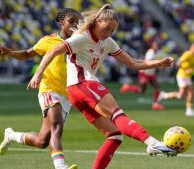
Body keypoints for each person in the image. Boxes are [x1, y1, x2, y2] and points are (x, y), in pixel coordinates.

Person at [28, 4, 177, 169]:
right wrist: (38, 73)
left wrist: (159, 63)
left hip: (77, 93)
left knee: (114, 135)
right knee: (118, 115)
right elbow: (53, 51)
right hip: (83, 84)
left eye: (113, 30)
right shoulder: (82, 37)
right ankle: (152, 143)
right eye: (107, 28)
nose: (109, 33)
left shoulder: (108, 42)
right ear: (97, 21)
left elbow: (134, 63)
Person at [0, 8, 82, 169]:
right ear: (62, 23)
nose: (76, 25)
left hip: (67, 94)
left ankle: (11, 135)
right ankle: (61, 167)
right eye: (72, 21)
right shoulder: (49, 40)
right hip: (49, 88)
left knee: (43, 141)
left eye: (79, 22)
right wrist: (11, 52)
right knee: (57, 125)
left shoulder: (81, 42)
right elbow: (28, 53)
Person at [119, 41, 165, 110]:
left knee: (157, 87)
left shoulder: (157, 52)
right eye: (155, 45)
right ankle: (127, 87)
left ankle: (155, 104)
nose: (156, 47)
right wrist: (159, 64)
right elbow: (148, 63)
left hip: (151, 74)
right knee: (141, 90)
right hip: (145, 73)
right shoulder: (150, 54)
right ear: (152, 46)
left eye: (157, 45)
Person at [158, 43, 194, 117]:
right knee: (191, 92)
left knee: (181, 95)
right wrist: (185, 70)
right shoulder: (187, 54)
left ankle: (164, 95)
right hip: (182, 75)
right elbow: (178, 63)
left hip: (187, 76)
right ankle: (189, 110)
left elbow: (193, 66)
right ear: (190, 48)